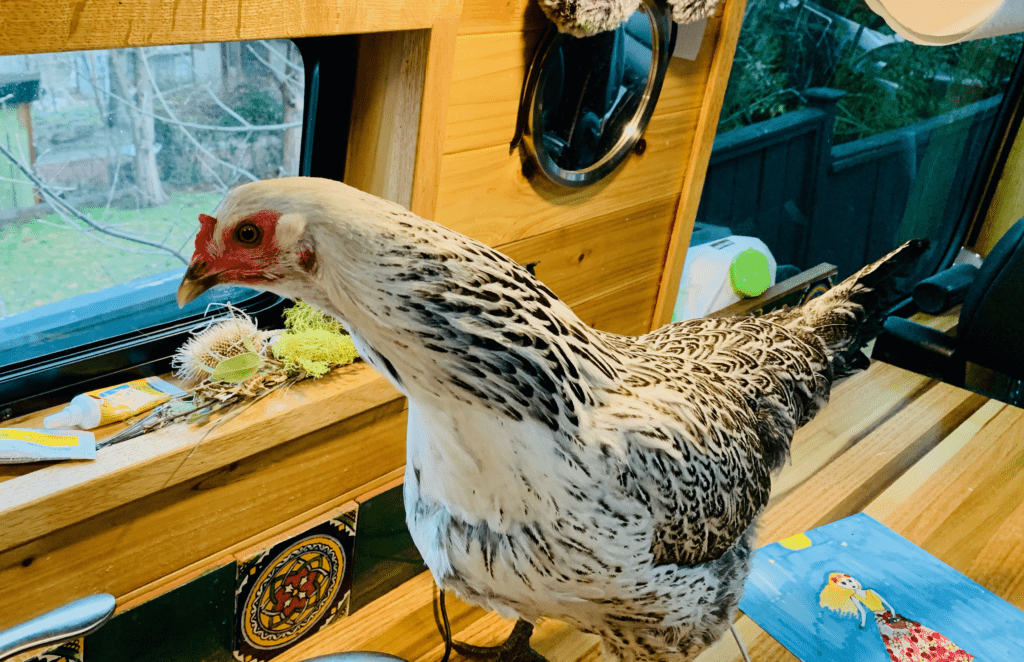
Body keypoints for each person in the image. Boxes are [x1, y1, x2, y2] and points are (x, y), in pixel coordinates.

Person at [818, 572, 973, 662]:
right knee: (897, 641)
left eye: (850, 580)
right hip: (880, 619)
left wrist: (892, 612)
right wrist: (863, 623)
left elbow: (886, 603)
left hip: (890, 615)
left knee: (915, 634)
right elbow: (863, 612)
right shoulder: (854, 598)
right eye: (845, 583)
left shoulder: (870, 591)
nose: (850, 584)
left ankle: (943, 655)